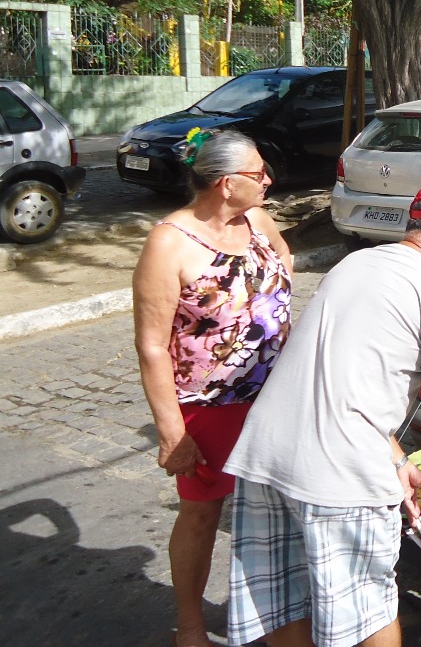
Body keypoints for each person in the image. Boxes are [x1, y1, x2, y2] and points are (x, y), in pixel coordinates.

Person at [223, 177, 421, 647]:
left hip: (265, 455)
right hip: (337, 476)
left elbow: (344, 378)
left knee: (284, 595)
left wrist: (399, 460)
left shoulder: (355, 263)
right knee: (369, 610)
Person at [132, 129, 292, 647]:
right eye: (258, 173)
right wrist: (171, 432)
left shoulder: (258, 220)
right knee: (203, 513)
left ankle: (280, 618)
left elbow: (285, 261)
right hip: (210, 407)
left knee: (278, 511)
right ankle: (192, 624)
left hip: (276, 397)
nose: (268, 180)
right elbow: (154, 345)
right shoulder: (169, 242)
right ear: (226, 184)